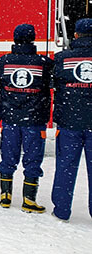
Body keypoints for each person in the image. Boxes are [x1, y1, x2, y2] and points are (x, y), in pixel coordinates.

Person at [0, 24, 53, 212]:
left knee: (8, 157)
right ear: (33, 38)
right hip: (34, 120)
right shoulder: (43, 62)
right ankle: (29, 200)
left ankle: (5, 197)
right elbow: (51, 85)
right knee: (33, 159)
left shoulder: (4, 61)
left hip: (10, 118)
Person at [51, 18, 92, 221]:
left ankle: (61, 209)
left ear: (76, 35)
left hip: (69, 123)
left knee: (66, 167)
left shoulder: (62, 58)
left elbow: (53, 83)